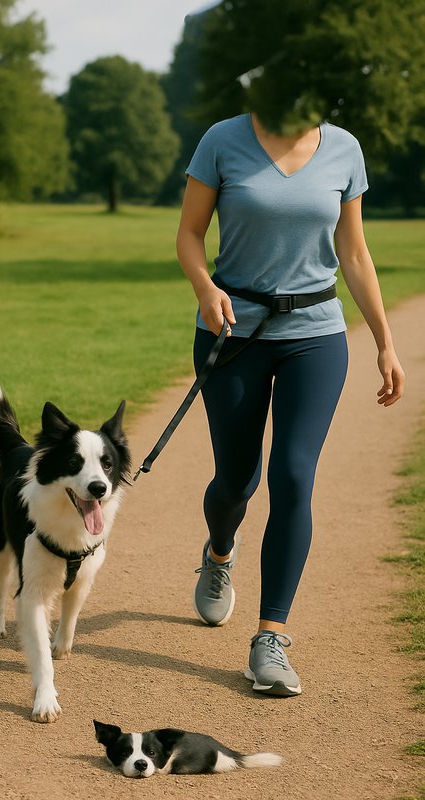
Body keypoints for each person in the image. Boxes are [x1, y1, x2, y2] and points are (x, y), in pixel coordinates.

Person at [176, 110, 405, 697]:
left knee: (295, 476)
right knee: (236, 481)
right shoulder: (222, 141)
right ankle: (219, 551)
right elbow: (190, 234)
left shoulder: (344, 148)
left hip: (316, 335)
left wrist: (384, 342)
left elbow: (353, 252)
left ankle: (269, 638)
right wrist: (206, 288)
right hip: (234, 333)